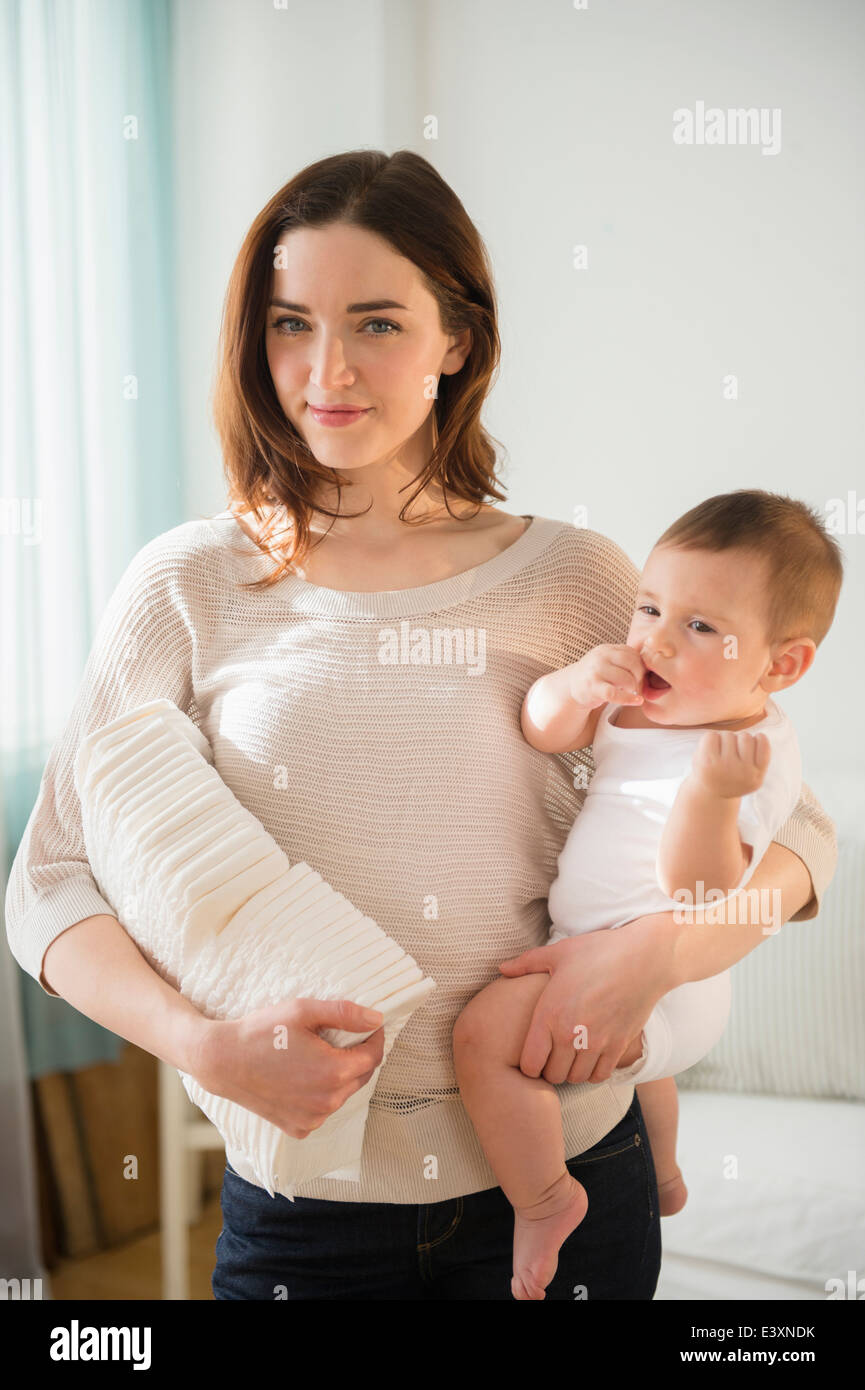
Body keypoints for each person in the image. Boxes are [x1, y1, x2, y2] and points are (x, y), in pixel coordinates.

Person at [4, 150, 837, 1301]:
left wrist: (651, 958)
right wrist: (201, 1045)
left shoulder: (579, 577)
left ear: (458, 338)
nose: (327, 368)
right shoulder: (184, 585)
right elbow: (47, 882)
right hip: (308, 1213)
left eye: (379, 323)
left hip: (569, 1177)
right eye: (290, 322)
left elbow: (800, 842)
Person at [452, 489, 844, 1299]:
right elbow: (541, 729)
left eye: (698, 626)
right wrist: (572, 685)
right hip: (597, 945)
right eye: (649, 607)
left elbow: (704, 893)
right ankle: (662, 1173)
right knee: (640, 1084)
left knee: (483, 1037)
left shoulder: (749, 756)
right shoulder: (637, 699)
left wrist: (709, 796)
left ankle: (546, 1198)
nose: (655, 639)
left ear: (781, 664)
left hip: (673, 984)